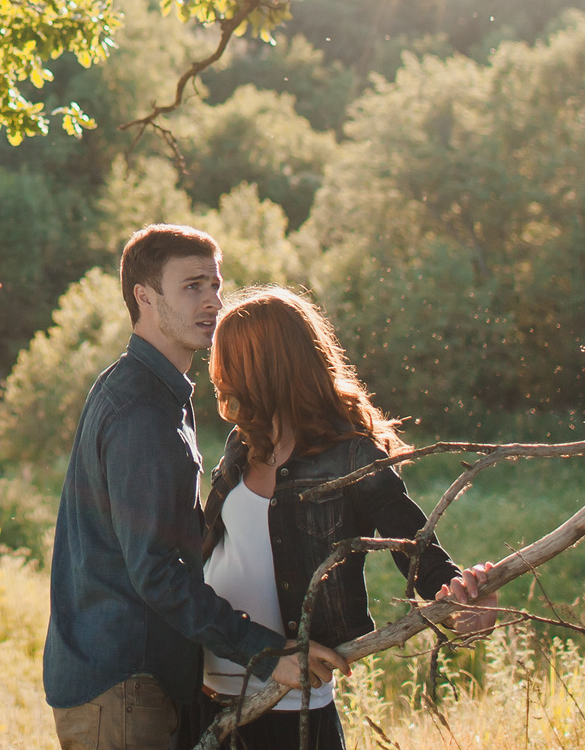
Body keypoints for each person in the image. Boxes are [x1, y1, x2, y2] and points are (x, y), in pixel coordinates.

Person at [43, 224, 313, 750]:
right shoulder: (141, 411)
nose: (213, 301)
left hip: (129, 683)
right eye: (192, 286)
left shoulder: (149, 390)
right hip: (123, 688)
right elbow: (157, 572)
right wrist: (268, 651)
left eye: (215, 285)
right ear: (144, 297)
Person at [193, 286, 500, 750]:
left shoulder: (352, 455)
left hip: (287, 700)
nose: (220, 376)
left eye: (230, 360)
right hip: (207, 687)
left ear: (269, 364)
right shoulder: (242, 444)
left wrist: (461, 594)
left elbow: (416, 547)